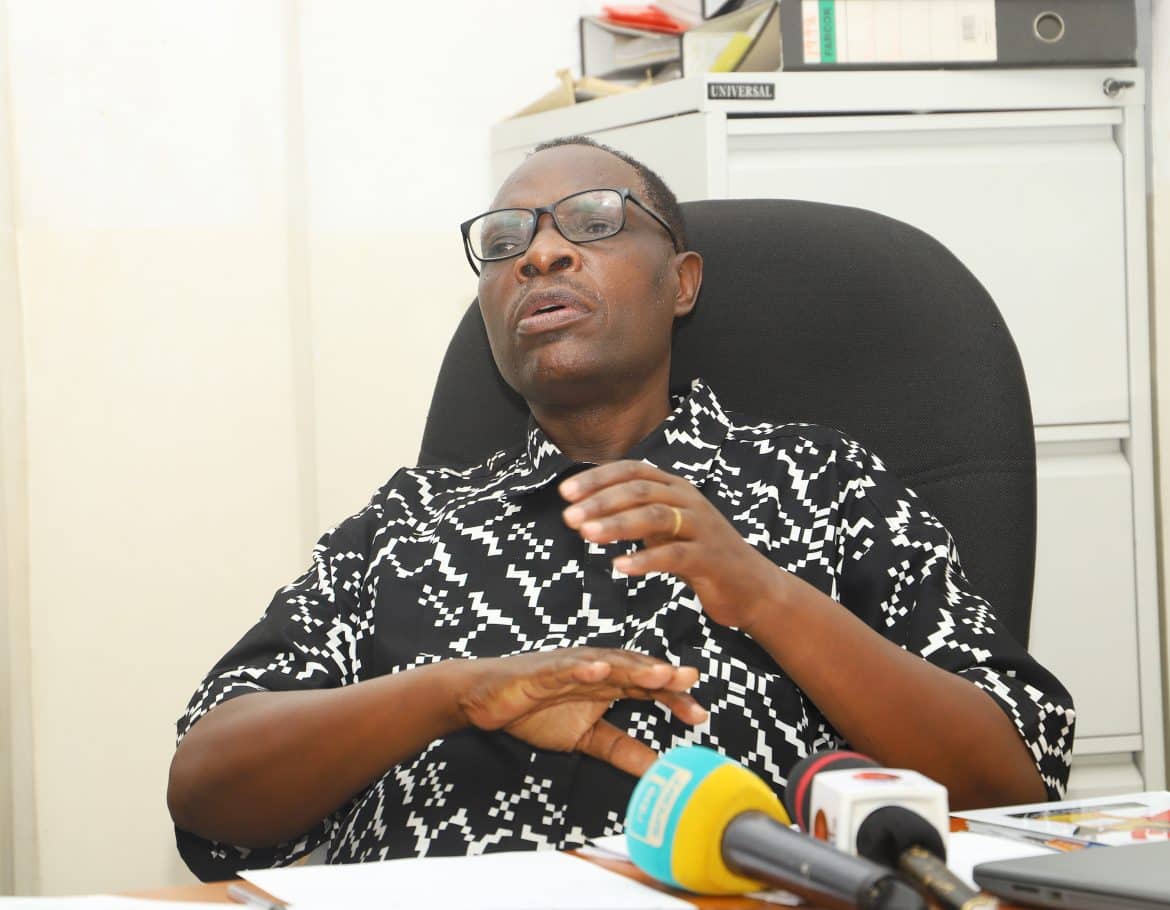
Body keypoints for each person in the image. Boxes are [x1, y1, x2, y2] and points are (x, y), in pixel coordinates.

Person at [167, 137, 1075, 880]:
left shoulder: (820, 482)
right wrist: (453, 695)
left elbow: (1014, 781)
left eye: (594, 222)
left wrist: (763, 593)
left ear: (681, 282)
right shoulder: (408, 523)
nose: (541, 254)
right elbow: (208, 791)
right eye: (505, 242)